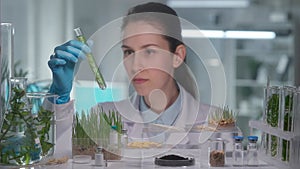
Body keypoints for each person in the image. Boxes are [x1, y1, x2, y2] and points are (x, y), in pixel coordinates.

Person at [47, 2, 215, 157]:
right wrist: (58, 96)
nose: (135, 66)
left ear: (177, 56)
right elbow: (53, 154)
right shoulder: (103, 117)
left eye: (149, 51)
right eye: (128, 52)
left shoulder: (216, 125)